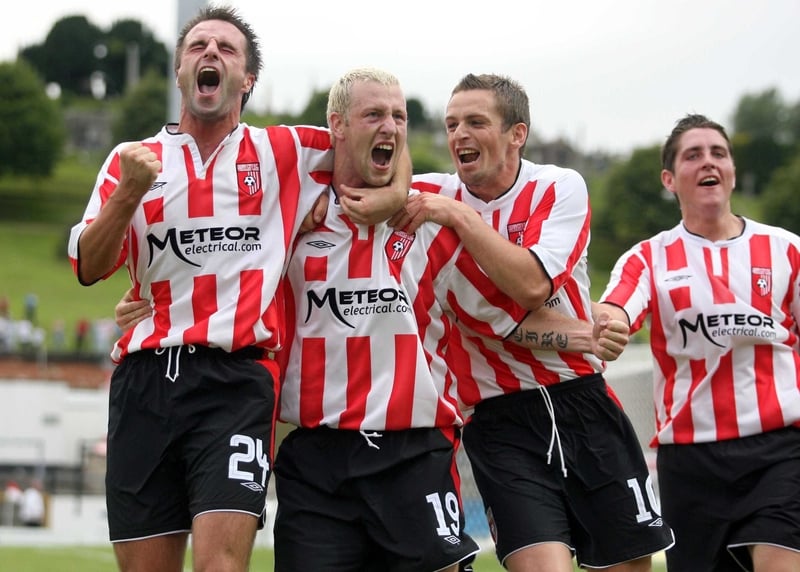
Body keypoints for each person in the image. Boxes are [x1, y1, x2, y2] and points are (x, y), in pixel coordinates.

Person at [115, 67, 630, 571]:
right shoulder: (289, 226)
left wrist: (582, 335)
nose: (390, 127)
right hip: (317, 456)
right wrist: (151, 307)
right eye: (374, 115)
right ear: (337, 125)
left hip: (412, 450)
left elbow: (498, 316)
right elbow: (217, 271)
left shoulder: (429, 221)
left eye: (399, 117)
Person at [67, 7, 407, 572]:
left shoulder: (285, 151)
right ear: (179, 71)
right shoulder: (130, 161)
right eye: (198, 45)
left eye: (227, 49)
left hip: (236, 379)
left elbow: (378, 139)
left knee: (220, 566)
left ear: (247, 80)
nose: (211, 54)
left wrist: (395, 196)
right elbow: (86, 266)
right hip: (144, 381)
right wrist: (128, 194)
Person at [395, 73, 674, 571]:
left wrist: (459, 217)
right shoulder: (432, 193)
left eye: (476, 122)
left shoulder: (559, 187)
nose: (459, 134)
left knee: (629, 564)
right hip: (498, 420)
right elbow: (367, 186)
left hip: (582, 402)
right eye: (451, 123)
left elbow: (529, 287)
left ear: (516, 134)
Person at [597, 114, 800, 572]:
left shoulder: (786, 250)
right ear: (670, 179)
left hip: (779, 450)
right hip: (690, 461)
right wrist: (606, 324)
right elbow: (617, 309)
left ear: (730, 170)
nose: (708, 162)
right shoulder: (648, 257)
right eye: (694, 155)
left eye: (718, 153)